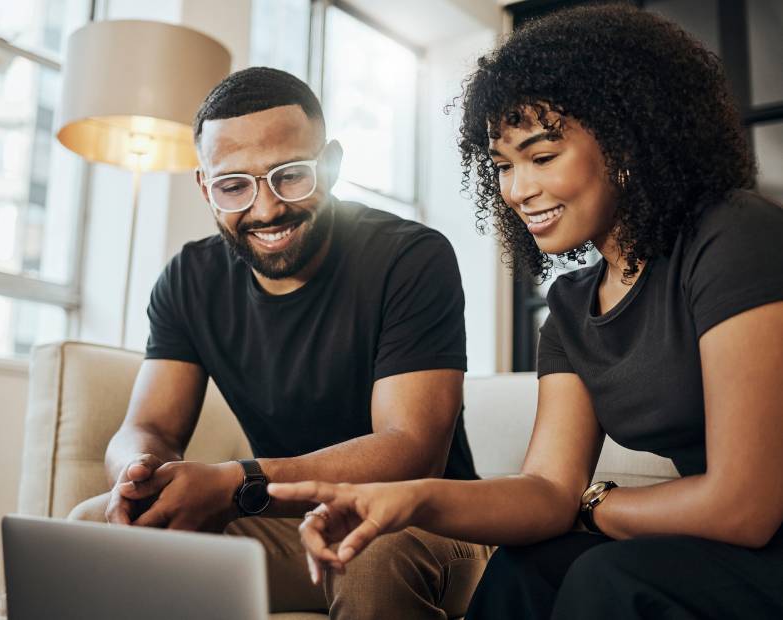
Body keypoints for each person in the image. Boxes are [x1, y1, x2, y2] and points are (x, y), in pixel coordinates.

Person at [268, 5, 783, 619]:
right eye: (503, 166)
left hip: (763, 541)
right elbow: (545, 491)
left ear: (626, 143)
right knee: (527, 568)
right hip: (717, 545)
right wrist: (406, 498)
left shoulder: (732, 236)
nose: (516, 191)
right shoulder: (571, 306)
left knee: (605, 577)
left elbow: (744, 507)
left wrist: (592, 506)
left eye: (542, 157)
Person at [71, 66, 492, 619]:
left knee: (370, 556)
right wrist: (138, 476)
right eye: (233, 185)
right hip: (287, 527)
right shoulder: (189, 278)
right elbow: (148, 426)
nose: (266, 208)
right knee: (88, 527)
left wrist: (238, 482)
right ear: (205, 187)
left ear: (332, 164)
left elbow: (411, 448)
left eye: (290, 176)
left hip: (423, 521)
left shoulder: (410, 258)